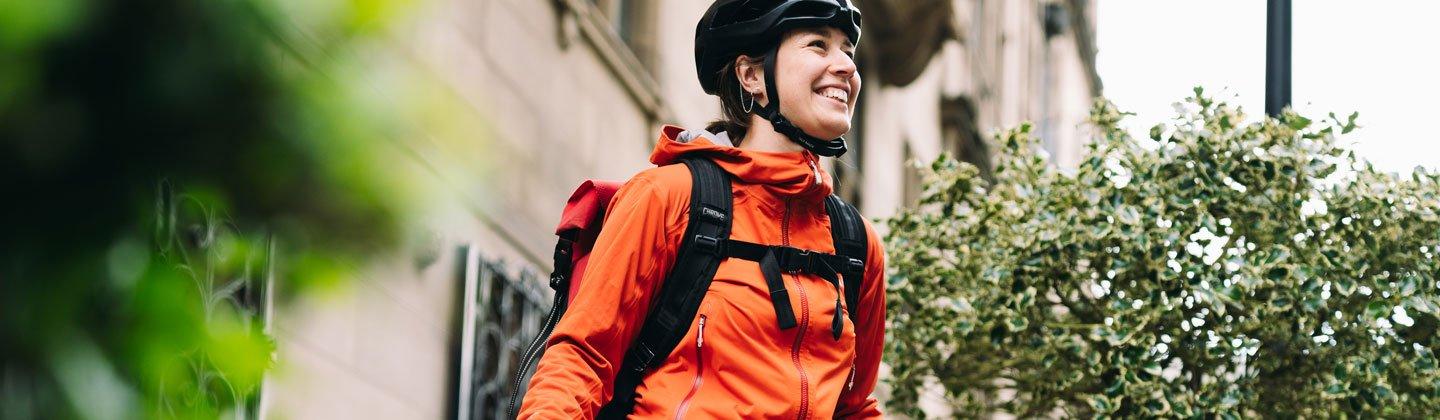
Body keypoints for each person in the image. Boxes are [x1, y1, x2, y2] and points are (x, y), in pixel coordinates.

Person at [517, 0, 885, 418]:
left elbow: (855, 407)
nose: (845, 67)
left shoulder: (855, 243)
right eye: (818, 45)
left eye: (848, 51)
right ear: (751, 76)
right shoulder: (671, 197)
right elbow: (582, 359)